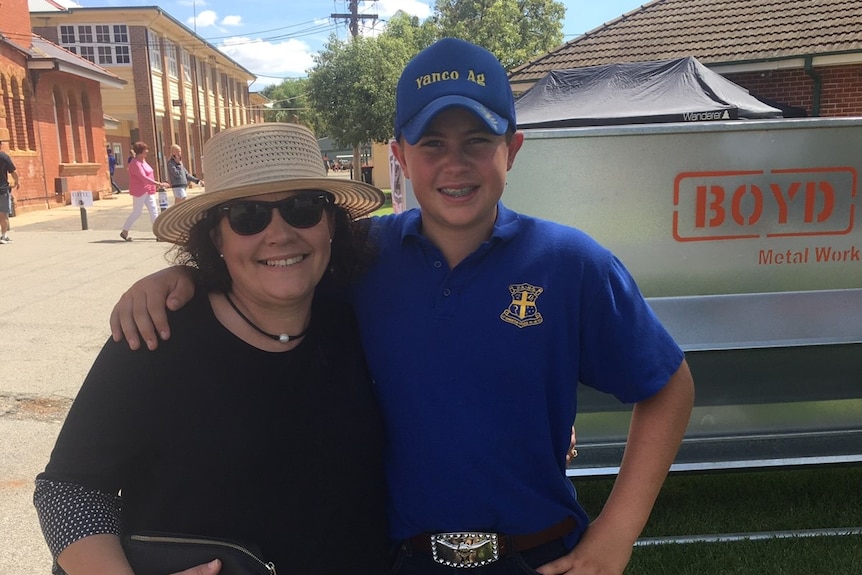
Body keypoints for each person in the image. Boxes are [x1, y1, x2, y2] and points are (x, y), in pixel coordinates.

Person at [109, 38, 695, 575]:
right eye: (432, 143)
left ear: (512, 150)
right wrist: (179, 278)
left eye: (478, 142)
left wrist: (617, 532)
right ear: (400, 155)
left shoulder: (571, 263)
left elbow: (669, 386)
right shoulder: (360, 257)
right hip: (397, 560)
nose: (454, 164)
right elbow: (270, 268)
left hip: (539, 554)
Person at [33, 123, 390, 575]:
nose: (279, 234)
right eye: (247, 216)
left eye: (302, 209)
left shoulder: (352, 318)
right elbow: (70, 490)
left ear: (331, 224)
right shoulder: (157, 335)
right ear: (216, 238)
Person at [120, 141, 169, 241]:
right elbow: (143, 177)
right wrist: (159, 184)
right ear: (140, 152)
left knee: (154, 210)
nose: (147, 151)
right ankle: (125, 231)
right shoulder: (135, 163)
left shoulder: (143, 161)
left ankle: (158, 234)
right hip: (140, 191)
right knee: (137, 212)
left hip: (149, 190)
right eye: (145, 150)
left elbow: (149, 174)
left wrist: (154, 185)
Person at [0, 140, 18, 244]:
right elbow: (13, 171)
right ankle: (3, 236)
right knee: (4, 213)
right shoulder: (4, 157)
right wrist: (17, 181)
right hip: (2, 189)